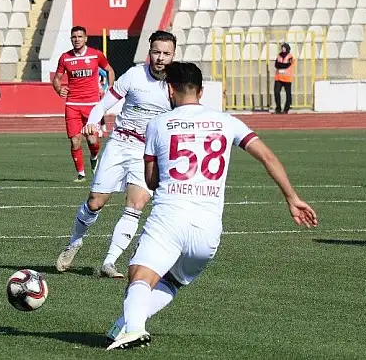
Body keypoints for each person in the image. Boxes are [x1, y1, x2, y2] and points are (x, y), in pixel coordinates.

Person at [105, 62, 318, 350]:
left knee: (140, 275)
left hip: (170, 217)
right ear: (201, 91)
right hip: (208, 229)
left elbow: (152, 180)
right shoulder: (227, 121)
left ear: (170, 90)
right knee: (173, 280)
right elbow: (268, 157)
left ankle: (135, 329)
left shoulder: (157, 123)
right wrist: (292, 198)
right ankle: (124, 325)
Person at [55, 30, 176, 278]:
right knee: (95, 202)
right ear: (149, 52)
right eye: (156, 52)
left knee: (136, 204)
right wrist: (92, 122)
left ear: (173, 55)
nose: (161, 58)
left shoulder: (177, 85)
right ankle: (75, 242)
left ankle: (109, 263)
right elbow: (102, 104)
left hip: (147, 152)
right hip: (120, 144)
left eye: (166, 53)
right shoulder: (134, 75)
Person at [52, 26, 116, 182]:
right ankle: (81, 174)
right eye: (74, 37)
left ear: (85, 38)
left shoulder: (96, 55)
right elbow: (57, 79)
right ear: (71, 39)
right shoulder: (65, 58)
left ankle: (94, 157)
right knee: (75, 140)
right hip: (72, 104)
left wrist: (109, 89)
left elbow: (109, 70)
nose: (77, 39)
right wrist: (59, 89)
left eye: (80, 36)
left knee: (92, 140)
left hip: (92, 105)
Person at [273, 43, 294, 114]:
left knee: (288, 94)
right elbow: (276, 65)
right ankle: (278, 108)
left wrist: (280, 65)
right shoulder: (279, 55)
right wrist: (281, 65)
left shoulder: (290, 56)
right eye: (282, 47)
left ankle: (286, 109)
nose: (283, 49)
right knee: (276, 92)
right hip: (278, 77)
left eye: (284, 47)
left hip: (287, 78)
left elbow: (287, 65)